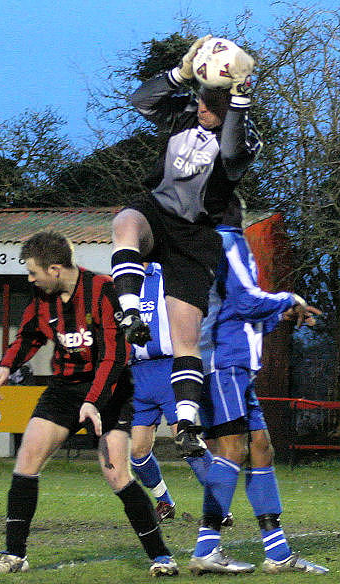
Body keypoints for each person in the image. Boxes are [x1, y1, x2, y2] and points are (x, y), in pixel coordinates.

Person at [0, 231, 178, 577]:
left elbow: (115, 357)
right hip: (64, 389)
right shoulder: (43, 299)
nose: (30, 279)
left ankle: (161, 557)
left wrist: (93, 402)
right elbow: (29, 336)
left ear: (54, 269)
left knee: (116, 473)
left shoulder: (102, 290)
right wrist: (5, 365)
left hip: (111, 391)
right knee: (27, 459)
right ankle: (13, 556)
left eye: (33, 272)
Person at [111, 35, 262, 459]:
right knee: (125, 222)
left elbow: (232, 149)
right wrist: (179, 71)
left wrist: (239, 98)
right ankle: (129, 311)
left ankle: (189, 423)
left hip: (195, 236)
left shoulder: (243, 140)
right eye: (199, 101)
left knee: (185, 337)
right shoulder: (182, 117)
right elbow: (141, 100)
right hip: (157, 214)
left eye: (210, 106)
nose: (201, 109)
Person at [188, 215, 329, 575]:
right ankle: (206, 549)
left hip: (236, 366)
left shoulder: (227, 242)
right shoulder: (227, 240)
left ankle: (278, 554)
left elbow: (238, 313)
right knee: (232, 450)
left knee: (262, 449)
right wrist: (289, 298)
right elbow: (246, 302)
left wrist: (282, 315)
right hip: (223, 364)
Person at [130, 261, 218, 522]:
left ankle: (219, 506)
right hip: (138, 375)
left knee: (187, 441)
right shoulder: (123, 284)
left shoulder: (169, 274)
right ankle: (164, 501)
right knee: (137, 453)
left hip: (171, 368)